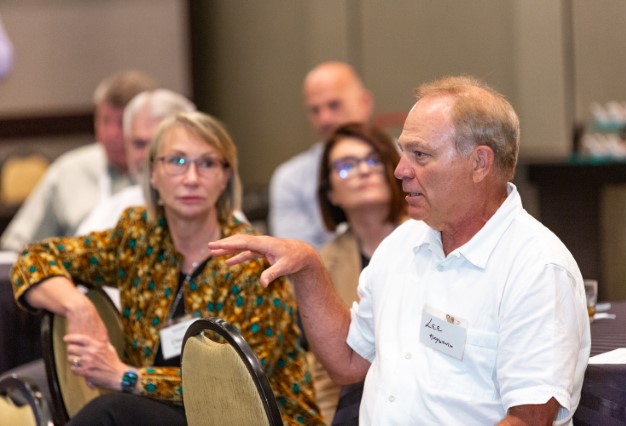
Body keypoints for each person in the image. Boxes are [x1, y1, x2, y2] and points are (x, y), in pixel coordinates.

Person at [210, 76, 591, 425]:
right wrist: (309, 267)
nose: (400, 170)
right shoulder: (402, 243)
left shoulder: (536, 267)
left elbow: (527, 420)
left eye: (420, 155)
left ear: (479, 163)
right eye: (403, 153)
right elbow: (349, 362)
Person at [9, 111, 323, 425]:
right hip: (162, 413)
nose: (191, 178)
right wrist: (78, 307)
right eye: (177, 161)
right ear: (152, 174)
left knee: (112, 411)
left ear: (225, 177)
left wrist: (127, 377)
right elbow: (33, 258)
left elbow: (234, 384)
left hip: (255, 417)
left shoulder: (250, 258)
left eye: (207, 163)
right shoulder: (138, 237)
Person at [312, 122, 407, 424]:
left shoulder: (433, 238)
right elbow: (324, 371)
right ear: (330, 193)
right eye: (345, 166)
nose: (363, 171)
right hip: (354, 406)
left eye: (373, 160)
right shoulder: (323, 264)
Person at [1, 70, 158, 252]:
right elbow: (17, 245)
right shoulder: (67, 172)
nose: (111, 134)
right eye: (104, 121)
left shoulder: (170, 176)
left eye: (122, 123)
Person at [269, 61, 373, 249]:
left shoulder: (404, 162)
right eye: (314, 110)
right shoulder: (290, 179)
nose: (324, 119)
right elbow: (297, 256)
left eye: (334, 105)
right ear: (331, 193)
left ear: (364, 103)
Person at [75, 89, 196, 235]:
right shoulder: (109, 216)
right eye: (139, 144)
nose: (148, 155)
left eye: (159, 143)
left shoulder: (216, 217)